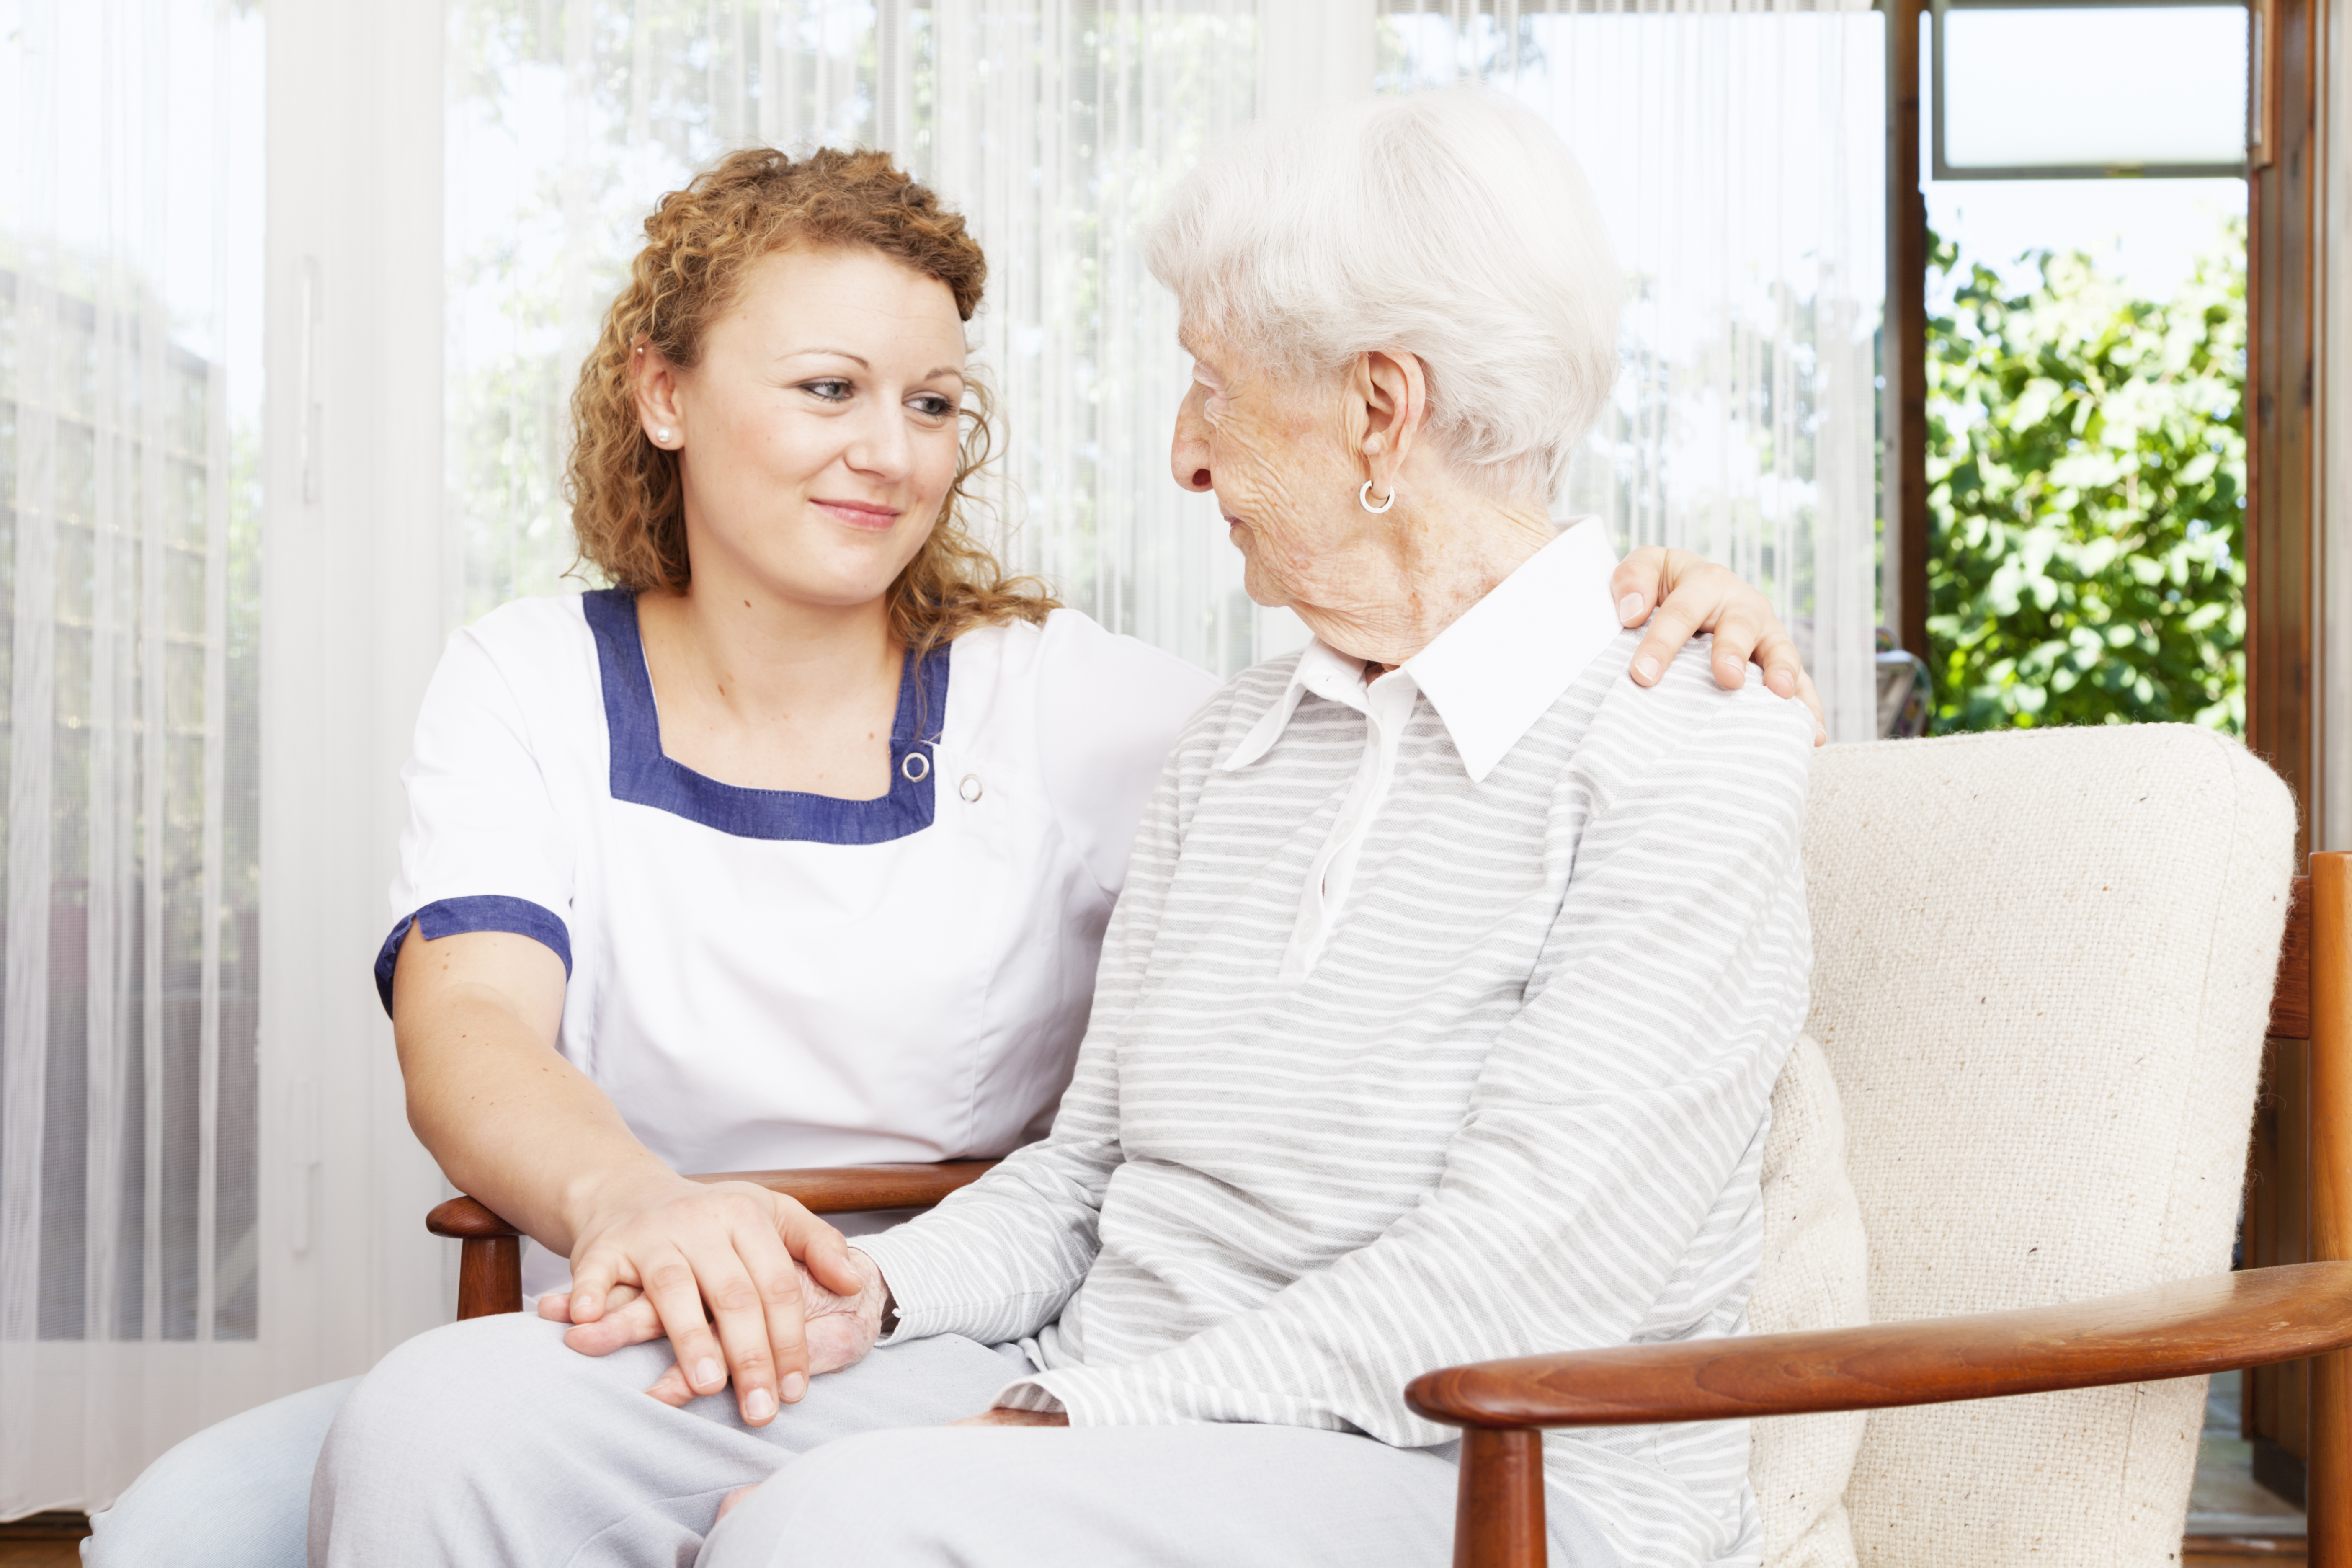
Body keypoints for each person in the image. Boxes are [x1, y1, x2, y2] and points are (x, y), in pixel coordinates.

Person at [81, 139, 1813, 1568]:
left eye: (1210, 388)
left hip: (1471, 1466)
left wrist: (1051, 1422)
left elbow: (1512, 1282)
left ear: (1381, 413)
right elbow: (1088, 1175)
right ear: (663, 395)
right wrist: (859, 1302)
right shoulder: (1241, 739)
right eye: (826, 386)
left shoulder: (1682, 733)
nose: (1184, 453)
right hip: (1104, 1387)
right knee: (448, 1415)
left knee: (838, 1530)